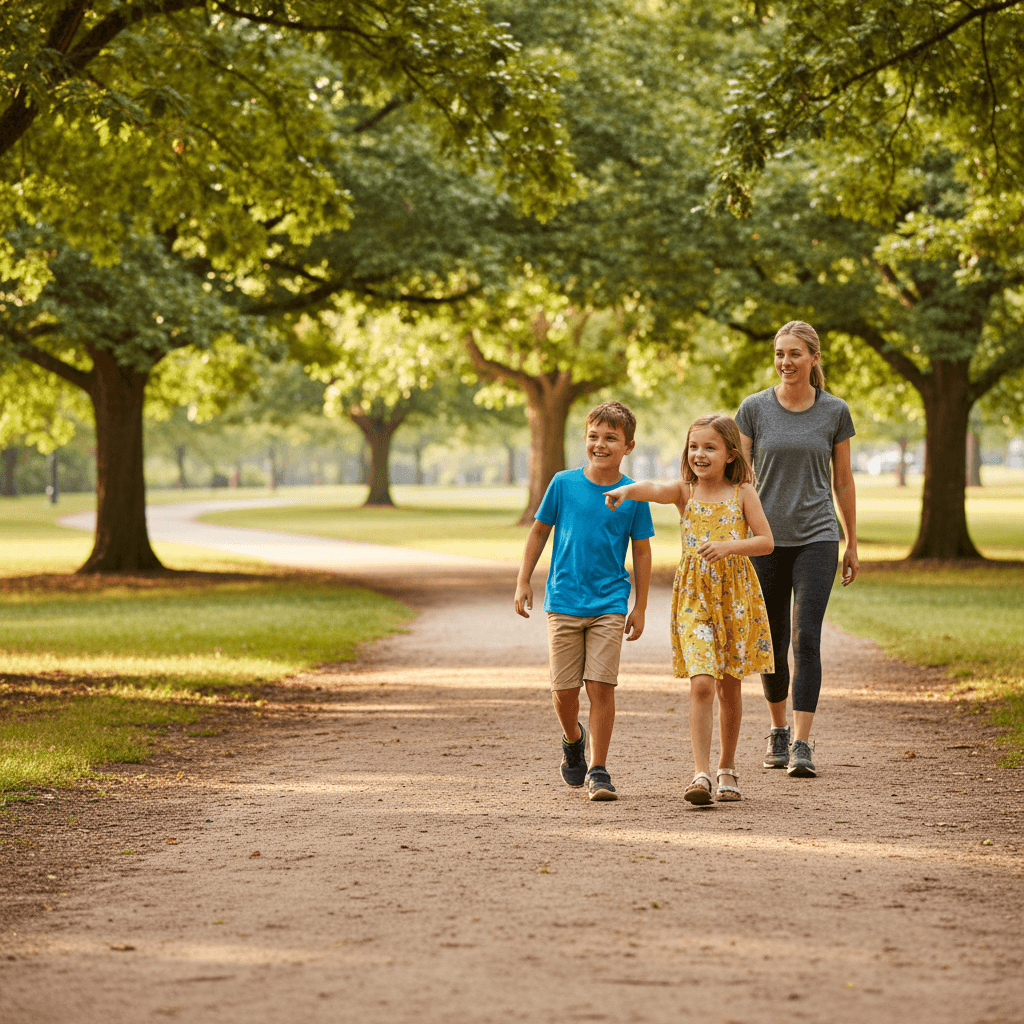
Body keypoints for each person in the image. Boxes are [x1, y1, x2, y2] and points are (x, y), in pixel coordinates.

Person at [605, 414, 774, 805]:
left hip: (734, 596)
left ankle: (726, 767)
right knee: (701, 682)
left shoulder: (743, 493)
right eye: (694, 446)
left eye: (710, 447)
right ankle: (700, 774)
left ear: (731, 454)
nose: (699, 454)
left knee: (729, 685)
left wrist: (730, 546)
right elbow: (655, 488)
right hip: (694, 598)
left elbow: (766, 541)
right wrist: (627, 491)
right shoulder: (685, 492)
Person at [736, 320, 858, 779]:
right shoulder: (753, 409)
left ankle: (803, 742)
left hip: (818, 537)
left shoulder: (834, 411)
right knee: (771, 642)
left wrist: (852, 542)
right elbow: (741, 479)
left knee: (806, 636)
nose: (785, 362)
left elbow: (843, 480)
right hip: (765, 540)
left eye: (794, 354)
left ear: (813, 359)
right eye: (779, 354)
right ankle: (778, 731)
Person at [514, 401, 654, 801]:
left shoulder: (633, 495)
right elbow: (539, 532)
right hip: (563, 600)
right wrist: (524, 580)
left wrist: (639, 606)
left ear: (628, 445)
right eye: (594, 436)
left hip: (609, 602)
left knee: (601, 687)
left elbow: (642, 552)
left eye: (611, 438)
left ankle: (598, 768)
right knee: (564, 692)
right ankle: (573, 738)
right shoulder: (563, 483)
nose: (600, 444)